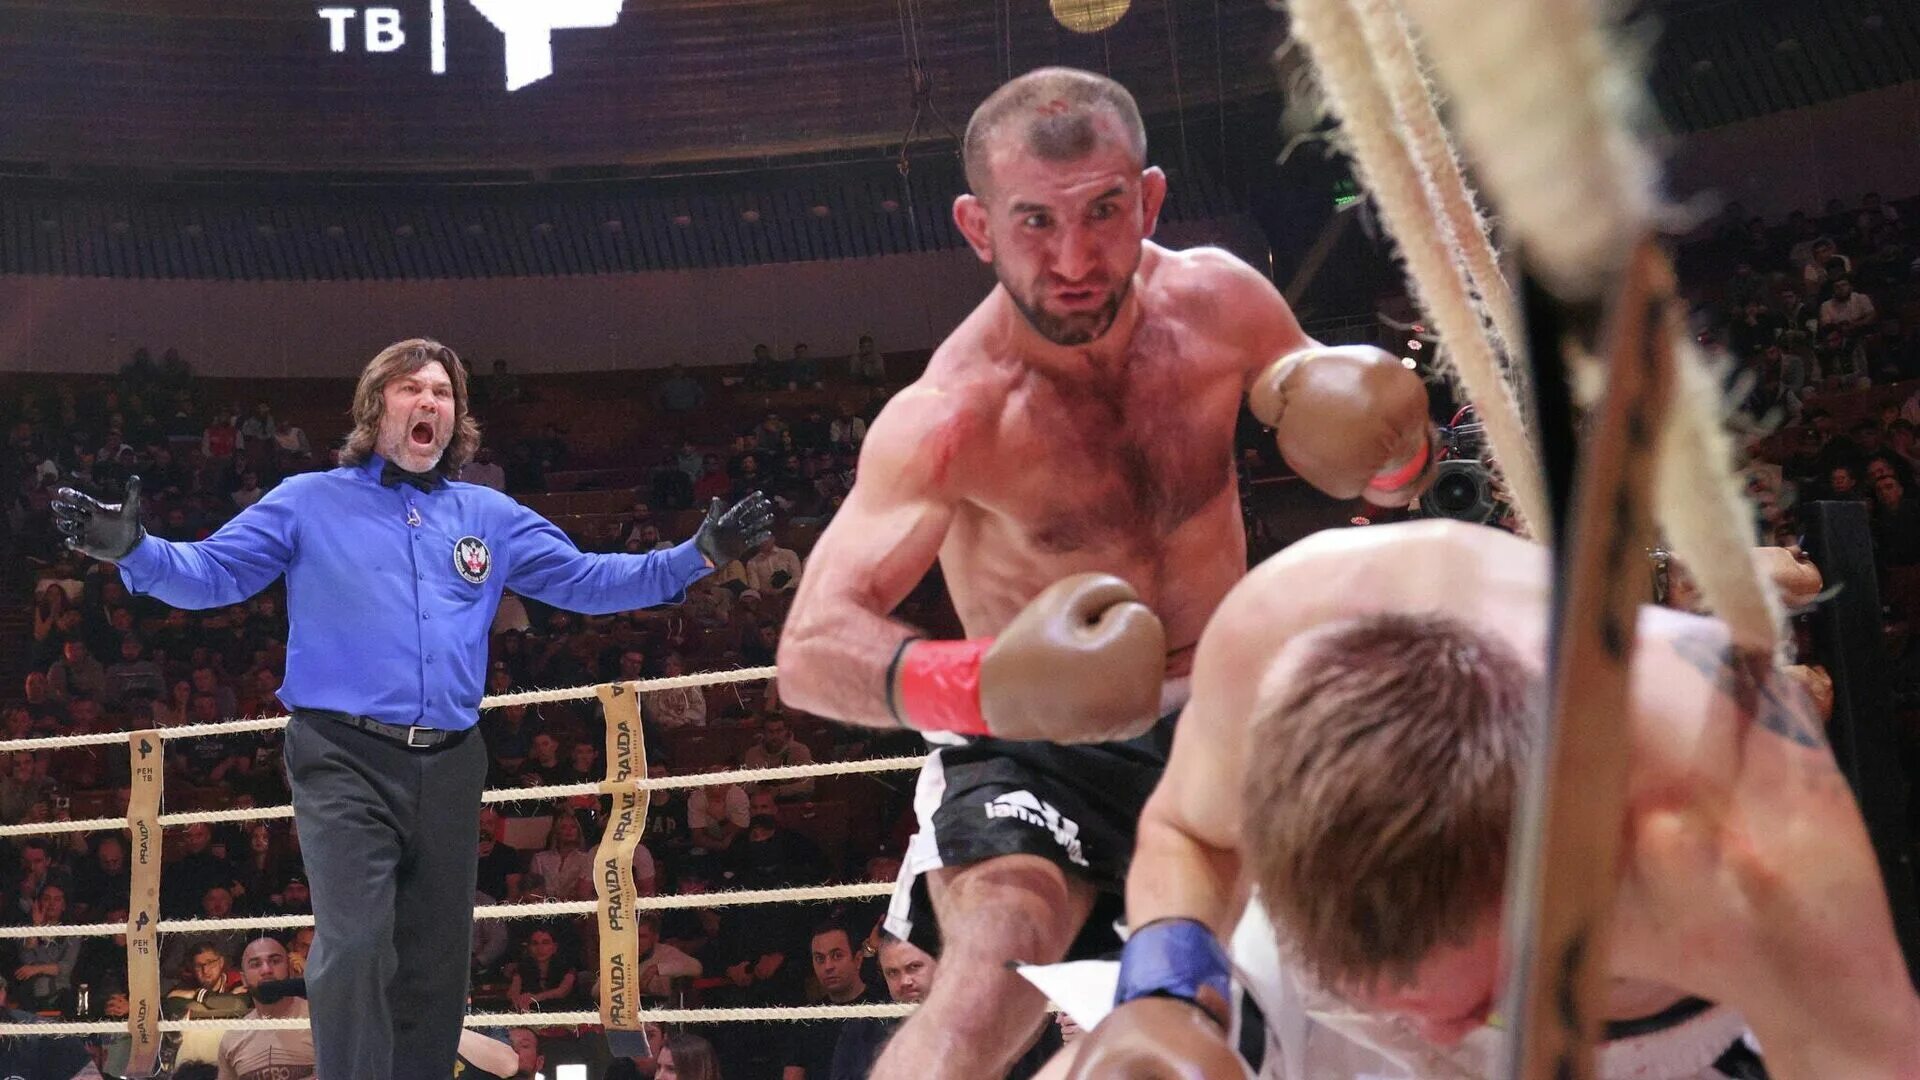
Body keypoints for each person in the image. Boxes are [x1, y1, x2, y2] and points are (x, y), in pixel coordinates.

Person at [775, 68, 1434, 1080]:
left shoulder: (1223, 304)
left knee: (1398, 966)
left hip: (1224, 714)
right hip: (1040, 749)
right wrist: (991, 682)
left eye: (1104, 211)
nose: (1075, 258)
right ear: (977, 226)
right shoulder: (953, 413)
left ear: (1150, 201)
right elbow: (811, 649)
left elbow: (1379, 457)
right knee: (987, 974)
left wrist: (1397, 455)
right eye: (1035, 221)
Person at [51, 338, 774, 1080]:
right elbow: (212, 573)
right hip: (342, 753)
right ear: (375, 408)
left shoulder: (488, 514)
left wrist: (698, 555)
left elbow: (588, 580)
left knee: (436, 958)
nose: (430, 401)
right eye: (411, 388)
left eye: (443, 392)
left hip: (452, 759)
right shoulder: (308, 499)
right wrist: (134, 551)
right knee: (357, 942)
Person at [1063, 520, 1918, 1080]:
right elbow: (1186, 829)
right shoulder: (1276, 632)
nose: (1436, 1037)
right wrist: (1164, 993)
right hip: (1304, 986)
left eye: (1475, 999)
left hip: (1632, 1032)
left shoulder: (1751, 846)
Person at [782, 921, 890, 1080]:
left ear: (858, 959)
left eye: (837, 956)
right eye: (820, 958)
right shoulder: (807, 1019)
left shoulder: (885, 1009)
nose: (828, 966)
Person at [215, 936, 315, 1080]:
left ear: (290, 969)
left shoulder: (318, 1023)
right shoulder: (233, 1038)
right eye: (255, 964)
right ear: (243, 979)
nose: (266, 970)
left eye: (275, 961)